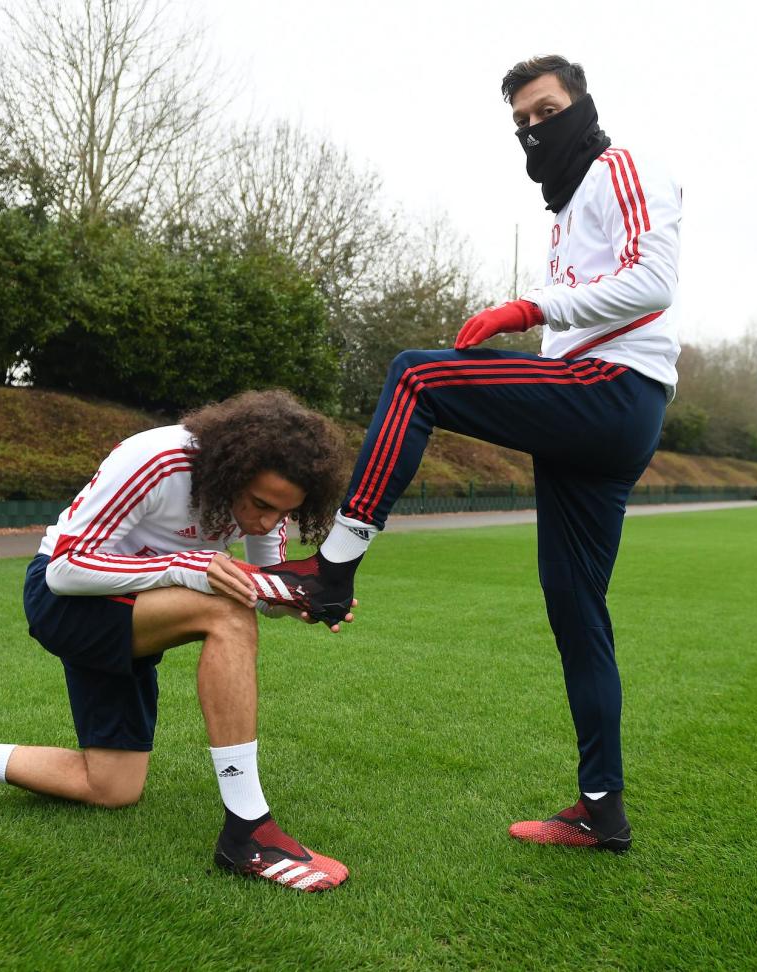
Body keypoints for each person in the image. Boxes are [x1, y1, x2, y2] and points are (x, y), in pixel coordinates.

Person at [264, 55, 682, 853]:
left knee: (417, 377)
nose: (535, 128)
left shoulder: (621, 166)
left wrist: (527, 306)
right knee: (575, 609)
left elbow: (655, 280)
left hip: (613, 389)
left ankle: (335, 568)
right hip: (593, 403)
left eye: (547, 110)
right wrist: (545, 322)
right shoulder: (567, 211)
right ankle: (603, 808)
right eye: (522, 121)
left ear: (583, 105)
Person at [0, 389, 355, 893]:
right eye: (261, 505)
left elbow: (261, 591)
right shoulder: (160, 459)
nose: (268, 522)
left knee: (112, 786)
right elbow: (65, 569)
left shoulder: (267, 502)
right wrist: (185, 567)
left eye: (284, 513)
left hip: (132, 613)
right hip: (67, 602)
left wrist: (303, 600)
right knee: (225, 612)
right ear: (232, 468)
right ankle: (249, 831)